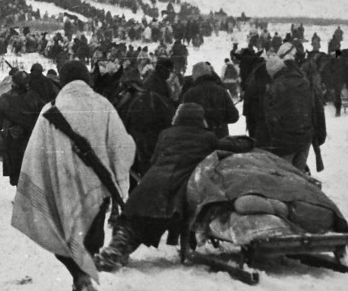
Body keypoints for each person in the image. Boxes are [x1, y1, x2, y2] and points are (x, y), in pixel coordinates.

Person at [11, 61, 135, 291]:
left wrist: (36, 184)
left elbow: (35, 153)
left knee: (60, 236)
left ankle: (80, 280)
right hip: (97, 188)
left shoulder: (52, 109)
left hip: (62, 184)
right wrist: (117, 179)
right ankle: (84, 280)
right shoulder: (104, 106)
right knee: (91, 237)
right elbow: (123, 146)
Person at [95, 103, 253, 271]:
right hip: (175, 191)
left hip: (149, 185)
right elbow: (236, 146)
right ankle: (118, 252)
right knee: (157, 220)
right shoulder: (207, 138)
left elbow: (154, 160)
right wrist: (248, 140)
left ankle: (116, 250)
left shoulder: (166, 134)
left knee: (132, 222)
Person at [258, 50, 325, 172]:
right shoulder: (304, 81)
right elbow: (317, 110)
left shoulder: (274, 88)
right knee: (298, 174)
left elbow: (270, 119)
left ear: (272, 72)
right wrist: (320, 135)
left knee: (286, 177)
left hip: (284, 142)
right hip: (305, 137)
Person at [0, 70, 45, 186]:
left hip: (12, 140)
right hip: (31, 139)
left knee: (15, 171)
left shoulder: (5, 99)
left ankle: (19, 194)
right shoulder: (35, 97)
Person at [180, 62, 239, 138]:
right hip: (220, 138)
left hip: (198, 138)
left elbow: (182, 120)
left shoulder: (190, 94)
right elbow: (233, 116)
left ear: (194, 76)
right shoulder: (221, 91)